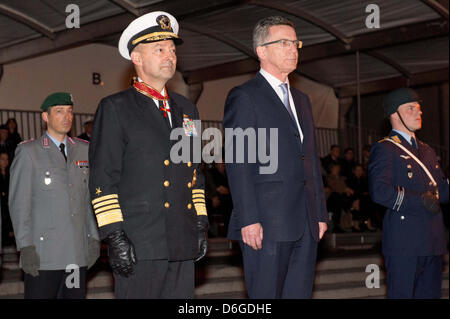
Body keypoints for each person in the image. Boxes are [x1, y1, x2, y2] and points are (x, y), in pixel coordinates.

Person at [89, 11, 208, 299]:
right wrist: (115, 236)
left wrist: (200, 222)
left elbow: (194, 171)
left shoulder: (187, 111)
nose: (170, 56)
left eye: (172, 49)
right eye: (159, 49)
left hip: (181, 236)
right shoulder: (116, 108)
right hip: (140, 240)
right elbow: (103, 178)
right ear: (137, 58)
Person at [223, 16, 328, 299]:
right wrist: (248, 218)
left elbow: (311, 161)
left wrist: (319, 213)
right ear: (261, 51)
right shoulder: (245, 96)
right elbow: (238, 161)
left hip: (305, 221)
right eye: (283, 43)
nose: (292, 49)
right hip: (266, 222)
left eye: (295, 43)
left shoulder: (302, 100)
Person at [8, 92, 100, 299]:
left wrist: (93, 238)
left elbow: (88, 201)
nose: (66, 117)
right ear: (45, 117)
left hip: (75, 254)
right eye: (59, 111)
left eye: (69, 111)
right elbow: (19, 205)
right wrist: (25, 246)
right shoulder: (29, 152)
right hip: (44, 255)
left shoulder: (84, 150)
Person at [368, 88, 449, 299]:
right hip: (404, 243)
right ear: (394, 114)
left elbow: (442, 191)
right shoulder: (386, 149)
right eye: (411, 108)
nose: (418, 113)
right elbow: (380, 191)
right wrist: (419, 201)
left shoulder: (427, 150)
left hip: (433, 241)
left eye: (419, 109)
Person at [0, 151, 14, 247]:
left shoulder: (11, 173)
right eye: (2, 159)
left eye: (6, 159)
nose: (5, 161)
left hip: (9, 202)